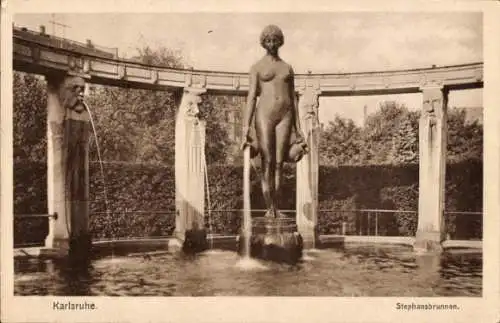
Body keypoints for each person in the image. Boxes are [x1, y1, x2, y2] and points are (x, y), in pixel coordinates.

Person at [241, 25, 308, 218]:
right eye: (268, 40)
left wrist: (299, 129)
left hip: (285, 115)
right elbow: (252, 97)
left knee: (279, 163)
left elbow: (293, 100)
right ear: (263, 43)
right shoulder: (256, 68)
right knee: (267, 161)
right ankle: (269, 207)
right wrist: (245, 128)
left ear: (280, 41)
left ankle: (276, 207)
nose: (272, 43)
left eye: (275, 40)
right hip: (264, 115)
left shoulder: (287, 68)